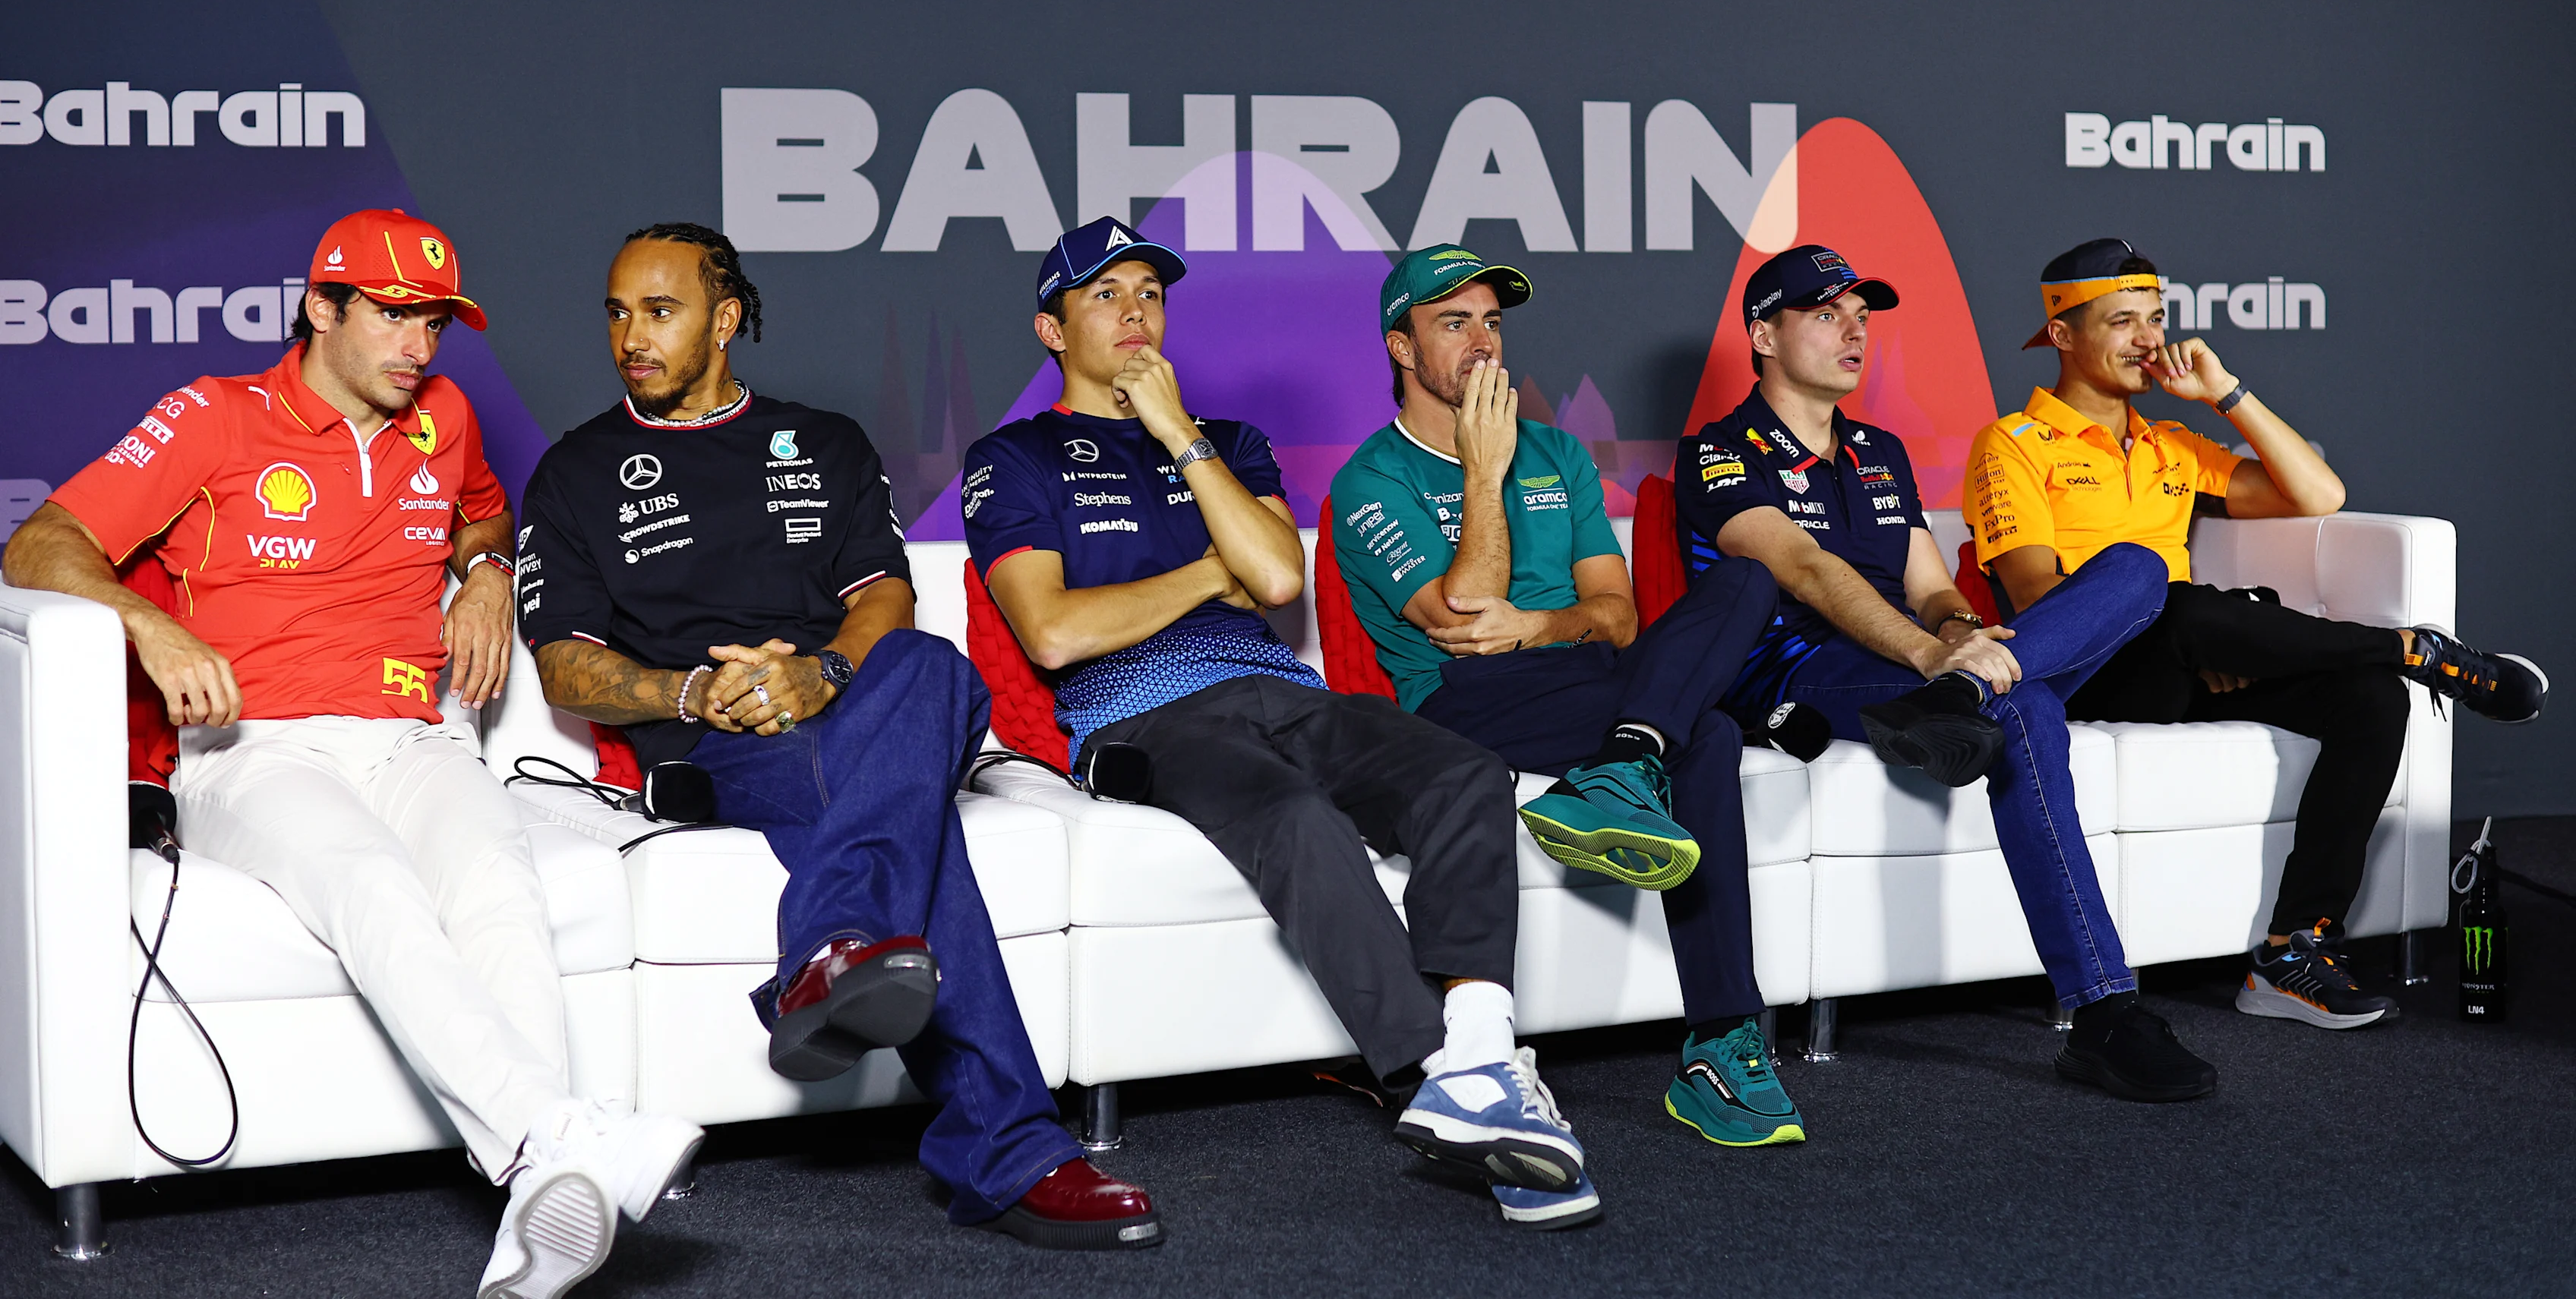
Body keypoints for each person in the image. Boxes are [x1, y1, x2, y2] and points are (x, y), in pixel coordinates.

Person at [2, 210, 702, 1299]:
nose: (418, 347)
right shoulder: (213, 419)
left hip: (412, 734)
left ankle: (541, 1204)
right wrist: (151, 624)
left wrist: (482, 573)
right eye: (391, 316)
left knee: (502, 891)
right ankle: (563, 1141)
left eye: (435, 321)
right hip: (256, 748)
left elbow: (485, 518)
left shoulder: (449, 416)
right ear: (322, 308)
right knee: (373, 887)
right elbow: (40, 542)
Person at [514, 223, 1160, 1250]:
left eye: (660, 310)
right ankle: (1008, 1152)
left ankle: (831, 945)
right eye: (618, 311)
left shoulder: (825, 441)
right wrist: (697, 691)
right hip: (717, 739)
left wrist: (817, 674)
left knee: (937, 670)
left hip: (850, 701)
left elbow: (885, 599)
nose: (631, 335)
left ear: (724, 321)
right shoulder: (576, 472)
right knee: (917, 813)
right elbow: (564, 662)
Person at [965, 216, 1598, 1229]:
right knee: (1298, 817)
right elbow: (1051, 634)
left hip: (1282, 691)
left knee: (1463, 770)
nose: (1136, 314)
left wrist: (1177, 435)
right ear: (1052, 330)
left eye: (1151, 295)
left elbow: (1272, 578)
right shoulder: (1015, 457)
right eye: (1105, 297)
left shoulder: (1230, 444)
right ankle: (1431, 1074)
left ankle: (1481, 1046)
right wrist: (1210, 573)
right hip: (1141, 717)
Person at [1675, 243, 2219, 1102]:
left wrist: (1966, 635)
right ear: (1763, 335)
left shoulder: (1877, 449)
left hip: (1918, 671)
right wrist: (1936, 654)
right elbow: (1807, 571)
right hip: (1799, 673)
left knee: (2136, 572)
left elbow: (1930, 586)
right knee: (2027, 708)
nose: (1853, 333)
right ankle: (2105, 1012)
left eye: (1861, 317)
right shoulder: (1718, 451)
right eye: (1826, 315)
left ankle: (1965, 696)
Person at [1971, 238, 2548, 1029]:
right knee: (2174, 600)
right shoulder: (2010, 444)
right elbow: (2041, 602)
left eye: (2155, 318)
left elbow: (2318, 493)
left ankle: (2292, 952)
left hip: (2187, 663)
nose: (2146, 339)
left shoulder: (2173, 445)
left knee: (2368, 701)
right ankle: (2408, 646)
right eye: (2120, 322)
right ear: (2062, 337)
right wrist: (2209, 633)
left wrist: (2224, 394)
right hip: (2090, 670)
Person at [1327, 244, 1807, 1149]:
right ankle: (1720, 1039)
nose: (1481, 342)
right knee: (1700, 731)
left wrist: (1543, 625)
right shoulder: (1371, 481)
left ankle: (1625, 763)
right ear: (1400, 347)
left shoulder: (1556, 454)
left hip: (1584, 677)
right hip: (1463, 698)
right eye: (1452, 322)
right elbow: (1464, 615)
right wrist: (1480, 470)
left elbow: (1618, 618)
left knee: (1744, 583)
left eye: (1492, 322)